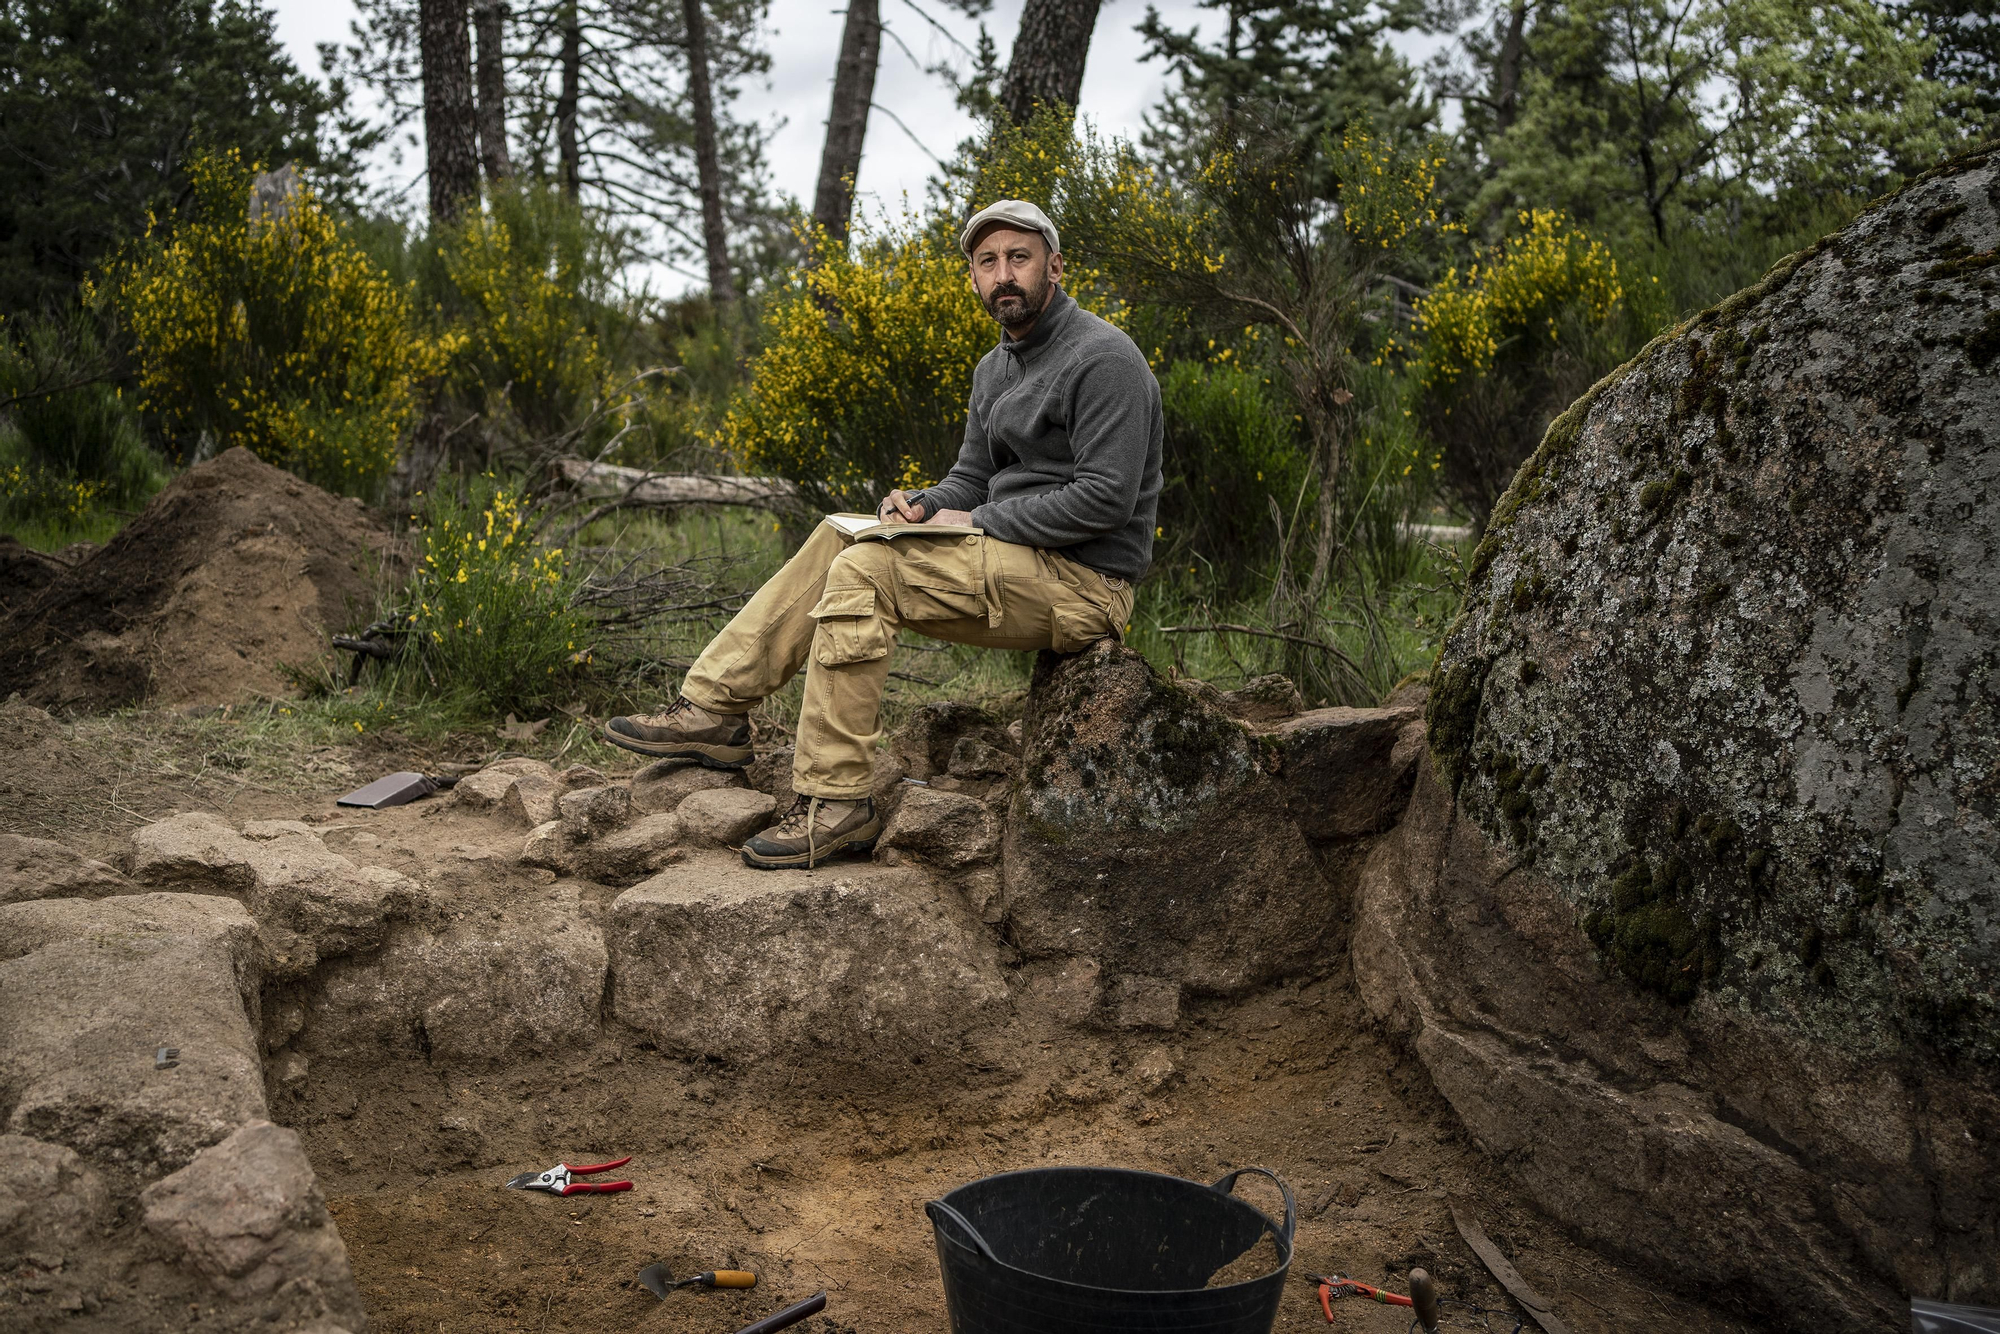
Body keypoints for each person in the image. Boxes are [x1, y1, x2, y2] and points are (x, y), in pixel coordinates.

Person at [604, 200, 1164, 868]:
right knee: (840, 537)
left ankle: (838, 803)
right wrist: (927, 506)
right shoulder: (996, 368)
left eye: (1019, 257)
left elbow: (1105, 499)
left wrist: (975, 519)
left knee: (871, 570)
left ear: (1055, 266)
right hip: (1015, 559)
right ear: (973, 279)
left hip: (1085, 583)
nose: (1003, 275)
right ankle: (715, 712)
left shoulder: (1103, 360)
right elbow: (973, 478)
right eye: (987, 262)